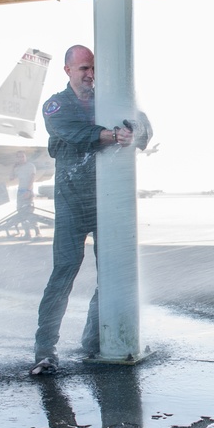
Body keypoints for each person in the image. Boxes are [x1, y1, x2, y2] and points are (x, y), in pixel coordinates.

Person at [31, 45, 148, 376]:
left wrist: (133, 131)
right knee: (64, 272)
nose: (90, 74)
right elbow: (72, 132)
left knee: (109, 274)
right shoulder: (57, 105)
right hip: (71, 201)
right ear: (68, 70)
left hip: (106, 201)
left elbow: (145, 126)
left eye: (94, 68)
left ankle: (92, 340)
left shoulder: (111, 100)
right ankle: (44, 351)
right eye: (83, 68)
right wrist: (112, 135)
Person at [10, 151, 38, 239]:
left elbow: (32, 178)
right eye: (19, 157)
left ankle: (37, 232)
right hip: (20, 191)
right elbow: (11, 178)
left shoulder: (30, 166)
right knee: (21, 212)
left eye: (22, 157)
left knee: (29, 212)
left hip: (28, 190)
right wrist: (13, 167)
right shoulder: (17, 168)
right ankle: (27, 233)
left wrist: (28, 190)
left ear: (25, 157)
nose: (21, 158)